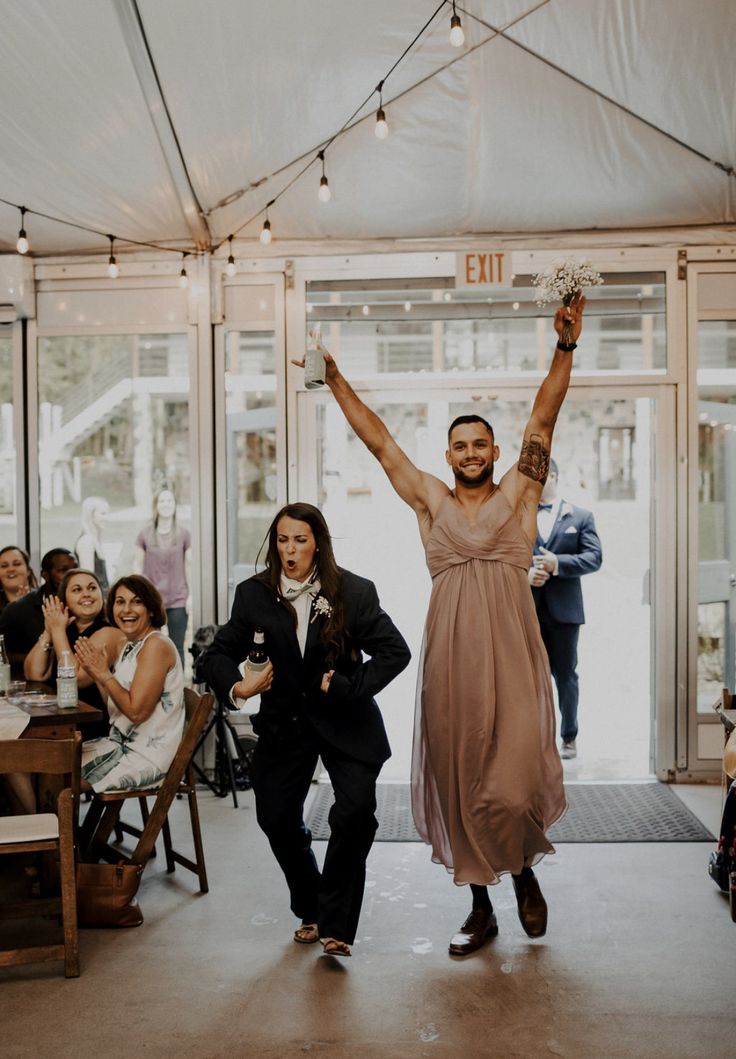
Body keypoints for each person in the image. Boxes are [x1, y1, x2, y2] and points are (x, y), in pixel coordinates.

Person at [303, 293, 586, 957]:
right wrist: (336, 379)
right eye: (458, 444)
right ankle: (481, 905)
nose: (469, 452)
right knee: (464, 789)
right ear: (449, 451)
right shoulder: (429, 499)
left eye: (479, 442)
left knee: (512, 789)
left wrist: (565, 346)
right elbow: (378, 442)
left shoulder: (521, 491)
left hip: (513, 658)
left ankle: (522, 875)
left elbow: (545, 414)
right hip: (451, 662)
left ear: (492, 449)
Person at [200, 502, 410, 958]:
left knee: (353, 814)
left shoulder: (353, 591)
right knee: (275, 818)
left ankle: (335, 923)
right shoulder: (252, 595)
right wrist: (240, 685)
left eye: (299, 540)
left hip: (345, 722)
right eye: (281, 539)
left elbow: (396, 651)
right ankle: (311, 904)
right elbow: (214, 656)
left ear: (318, 543)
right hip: (285, 725)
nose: (289, 550)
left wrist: (351, 686)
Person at [73, 574, 185, 793]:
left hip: (144, 757)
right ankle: (59, 828)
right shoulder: (128, 644)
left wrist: (104, 674)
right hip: (119, 745)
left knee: (60, 781)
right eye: (120, 602)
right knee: (51, 763)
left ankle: (61, 829)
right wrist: (97, 674)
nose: (126, 610)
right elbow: (117, 705)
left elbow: (136, 712)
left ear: (151, 609)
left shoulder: (156, 645)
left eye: (137, 602)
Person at [528, 459, 602, 760]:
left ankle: (569, 737)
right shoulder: (517, 517)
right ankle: (535, 738)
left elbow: (594, 558)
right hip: (527, 610)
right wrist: (525, 576)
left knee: (566, 675)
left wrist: (558, 564)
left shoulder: (581, 516)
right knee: (531, 678)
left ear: (553, 476)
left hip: (565, 612)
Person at [23, 568, 111, 738]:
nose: (86, 594)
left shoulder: (108, 632)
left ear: (101, 595)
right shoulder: (63, 629)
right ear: (65, 601)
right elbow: (33, 673)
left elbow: (75, 679)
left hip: (91, 728)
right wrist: (49, 629)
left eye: (92, 588)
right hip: (60, 723)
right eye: (77, 590)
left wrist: (57, 631)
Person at [133, 486, 192, 666]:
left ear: (175, 505)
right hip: (152, 600)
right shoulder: (144, 534)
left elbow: (190, 565)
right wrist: (138, 597)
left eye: (170, 501)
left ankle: (178, 691)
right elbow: (137, 566)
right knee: (151, 647)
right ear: (156, 505)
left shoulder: (184, 535)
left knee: (177, 647)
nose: (166, 504)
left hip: (177, 600)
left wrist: (191, 596)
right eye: (162, 501)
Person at [0, 548, 78, 668]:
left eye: (76, 569)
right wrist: (38, 658)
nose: (73, 576)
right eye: (63, 570)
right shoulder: (17, 610)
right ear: (45, 575)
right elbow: (4, 653)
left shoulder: (84, 606)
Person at [75, 496, 110, 592]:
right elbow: (87, 581)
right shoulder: (87, 541)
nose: (106, 518)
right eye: (103, 514)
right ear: (91, 515)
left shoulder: (94, 540)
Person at [0, 545, 37, 612]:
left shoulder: (44, 600)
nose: (11, 569)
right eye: (4, 566)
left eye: (17, 564)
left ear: (28, 570)